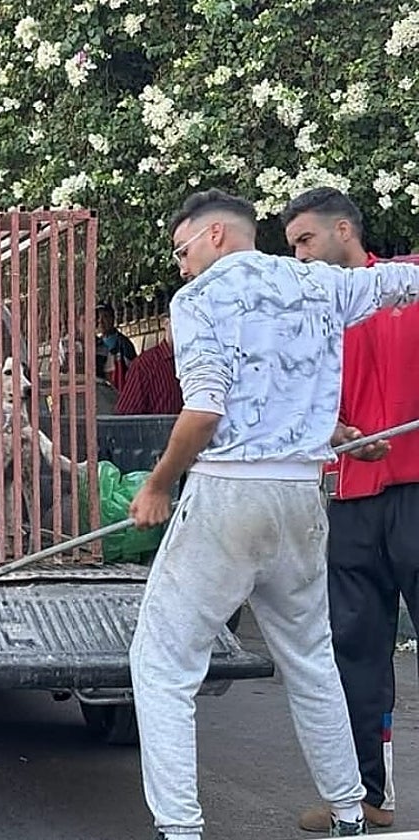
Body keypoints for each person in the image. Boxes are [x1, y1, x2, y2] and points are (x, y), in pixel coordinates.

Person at [126, 188, 419, 839]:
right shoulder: (323, 285)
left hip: (229, 495)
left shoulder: (201, 301)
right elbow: (406, 283)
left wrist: (157, 485)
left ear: (218, 237)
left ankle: (179, 828)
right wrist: (329, 433)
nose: (179, 268)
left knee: (162, 663)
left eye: (183, 250)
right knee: (311, 656)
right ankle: (349, 809)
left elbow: (203, 412)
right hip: (300, 497)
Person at [282, 186, 419, 832]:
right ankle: (370, 798)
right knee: (355, 654)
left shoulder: (409, 282)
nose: (300, 255)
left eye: (306, 240)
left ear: (345, 230)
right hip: (351, 504)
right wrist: (327, 430)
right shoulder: (310, 315)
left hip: (418, 493)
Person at [114, 315, 183, 415]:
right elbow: (126, 418)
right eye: (180, 321)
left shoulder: (202, 363)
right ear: (166, 322)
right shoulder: (144, 365)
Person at [95, 301, 138, 390]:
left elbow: (135, 373)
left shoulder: (124, 344)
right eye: (98, 317)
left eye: (105, 317)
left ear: (112, 319)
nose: (101, 321)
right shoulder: (96, 345)